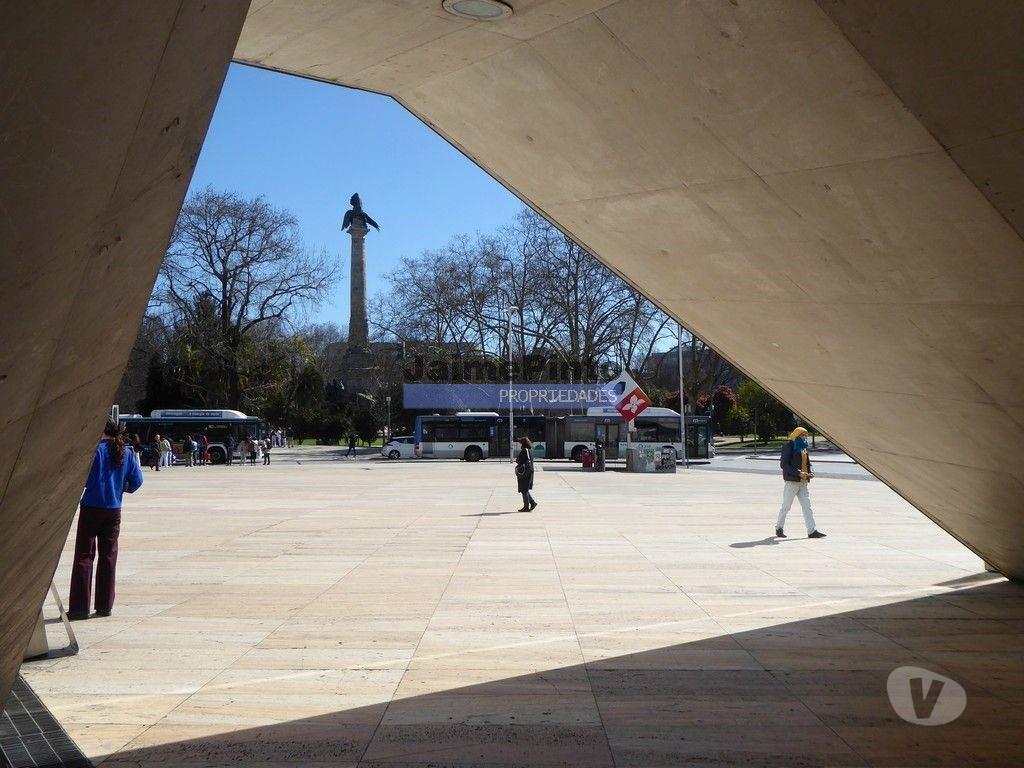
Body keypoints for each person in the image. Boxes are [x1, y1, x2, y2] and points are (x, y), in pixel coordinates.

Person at [68, 420, 143, 620]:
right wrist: (120, 488)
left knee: (84, 556)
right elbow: (137, 482)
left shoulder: (95, 451)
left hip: (92, 506)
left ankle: (79, 608)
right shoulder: (125, 453)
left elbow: (83, 479)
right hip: (113, 509)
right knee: (108, 557)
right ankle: (104, 606)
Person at [776, 427, 826, 539]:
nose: (805, 438)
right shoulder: (789, 447)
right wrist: (799, 473)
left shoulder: (803, 448)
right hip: (792, 482)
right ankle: (779, 527)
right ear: (797, 435)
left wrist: (811, 472)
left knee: (807, 507)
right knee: (786, 506)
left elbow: (809, 463)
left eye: (806, 436)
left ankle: (812, 531)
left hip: (803, 482)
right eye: (803, 435)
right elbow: (784, 464)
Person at [516, 436, 538, 512]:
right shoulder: (530, 450)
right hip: (529, 471)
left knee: (524, 489)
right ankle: (532, 502)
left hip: (525, 472)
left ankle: (526, 507)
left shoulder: (524, 450)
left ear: (523, 443)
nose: (519, 444)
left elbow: (518, 460)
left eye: (520, 442)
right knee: (525, 489)